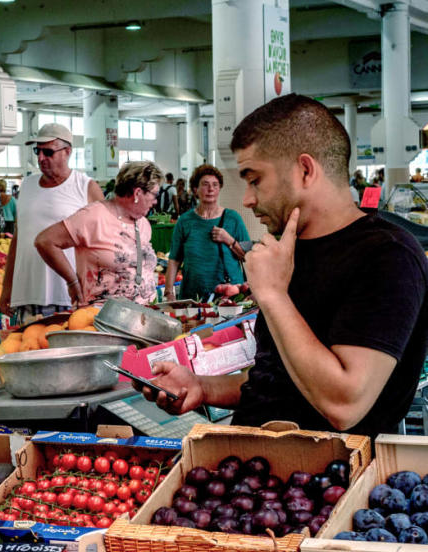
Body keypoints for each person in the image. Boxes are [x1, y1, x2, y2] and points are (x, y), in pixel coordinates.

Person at [134, 93, 428, 440]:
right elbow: (279, 378)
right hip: (253, 468)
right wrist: (202, 386)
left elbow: (344, 404)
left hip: (325, 481)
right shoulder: (292, 251)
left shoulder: (388, 256)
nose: (247, 199)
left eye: (255, 179)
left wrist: (273, 295)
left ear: (305, 170)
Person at [0, 123, 103, 320]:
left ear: (67, 152)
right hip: (27, 294)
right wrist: (7, 287)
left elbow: (104, 241)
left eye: (48, 152)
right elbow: (18, 240)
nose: (40, 158)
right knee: (28, 346)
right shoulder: (28, 186)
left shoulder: (85, 187)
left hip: (68, 296)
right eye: (37, 151)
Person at [35, 161, 161, 306]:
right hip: (102, 319)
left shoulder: (143, 223)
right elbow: (45, 241)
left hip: (144, 317)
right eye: (154, 194)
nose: (156, 201)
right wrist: (72, 282)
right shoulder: (93, 216)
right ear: (137, 193)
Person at [164, 165, 250, 301]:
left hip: (229, 296)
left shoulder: (233, 218)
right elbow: (174, 259)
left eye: (215, 185)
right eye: (205, 184)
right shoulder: (185, 221)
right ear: (195, 189)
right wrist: (169, 293)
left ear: (219, 189)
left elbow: (248, 256)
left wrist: (229, 240)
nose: (211, 189)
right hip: (193, 296)